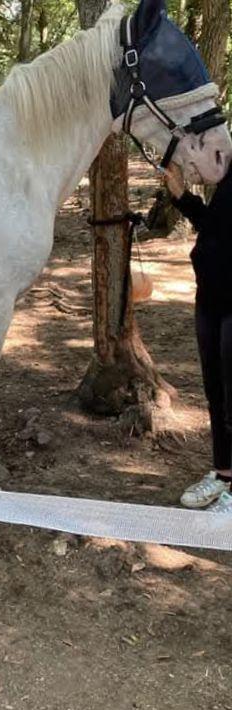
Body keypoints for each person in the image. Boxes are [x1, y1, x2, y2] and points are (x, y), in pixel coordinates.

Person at [162, 165, 232, 511]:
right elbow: (214, 227)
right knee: (216, 395)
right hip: (210, 298)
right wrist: (182, 197)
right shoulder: (229, 170)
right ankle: (223, 474)